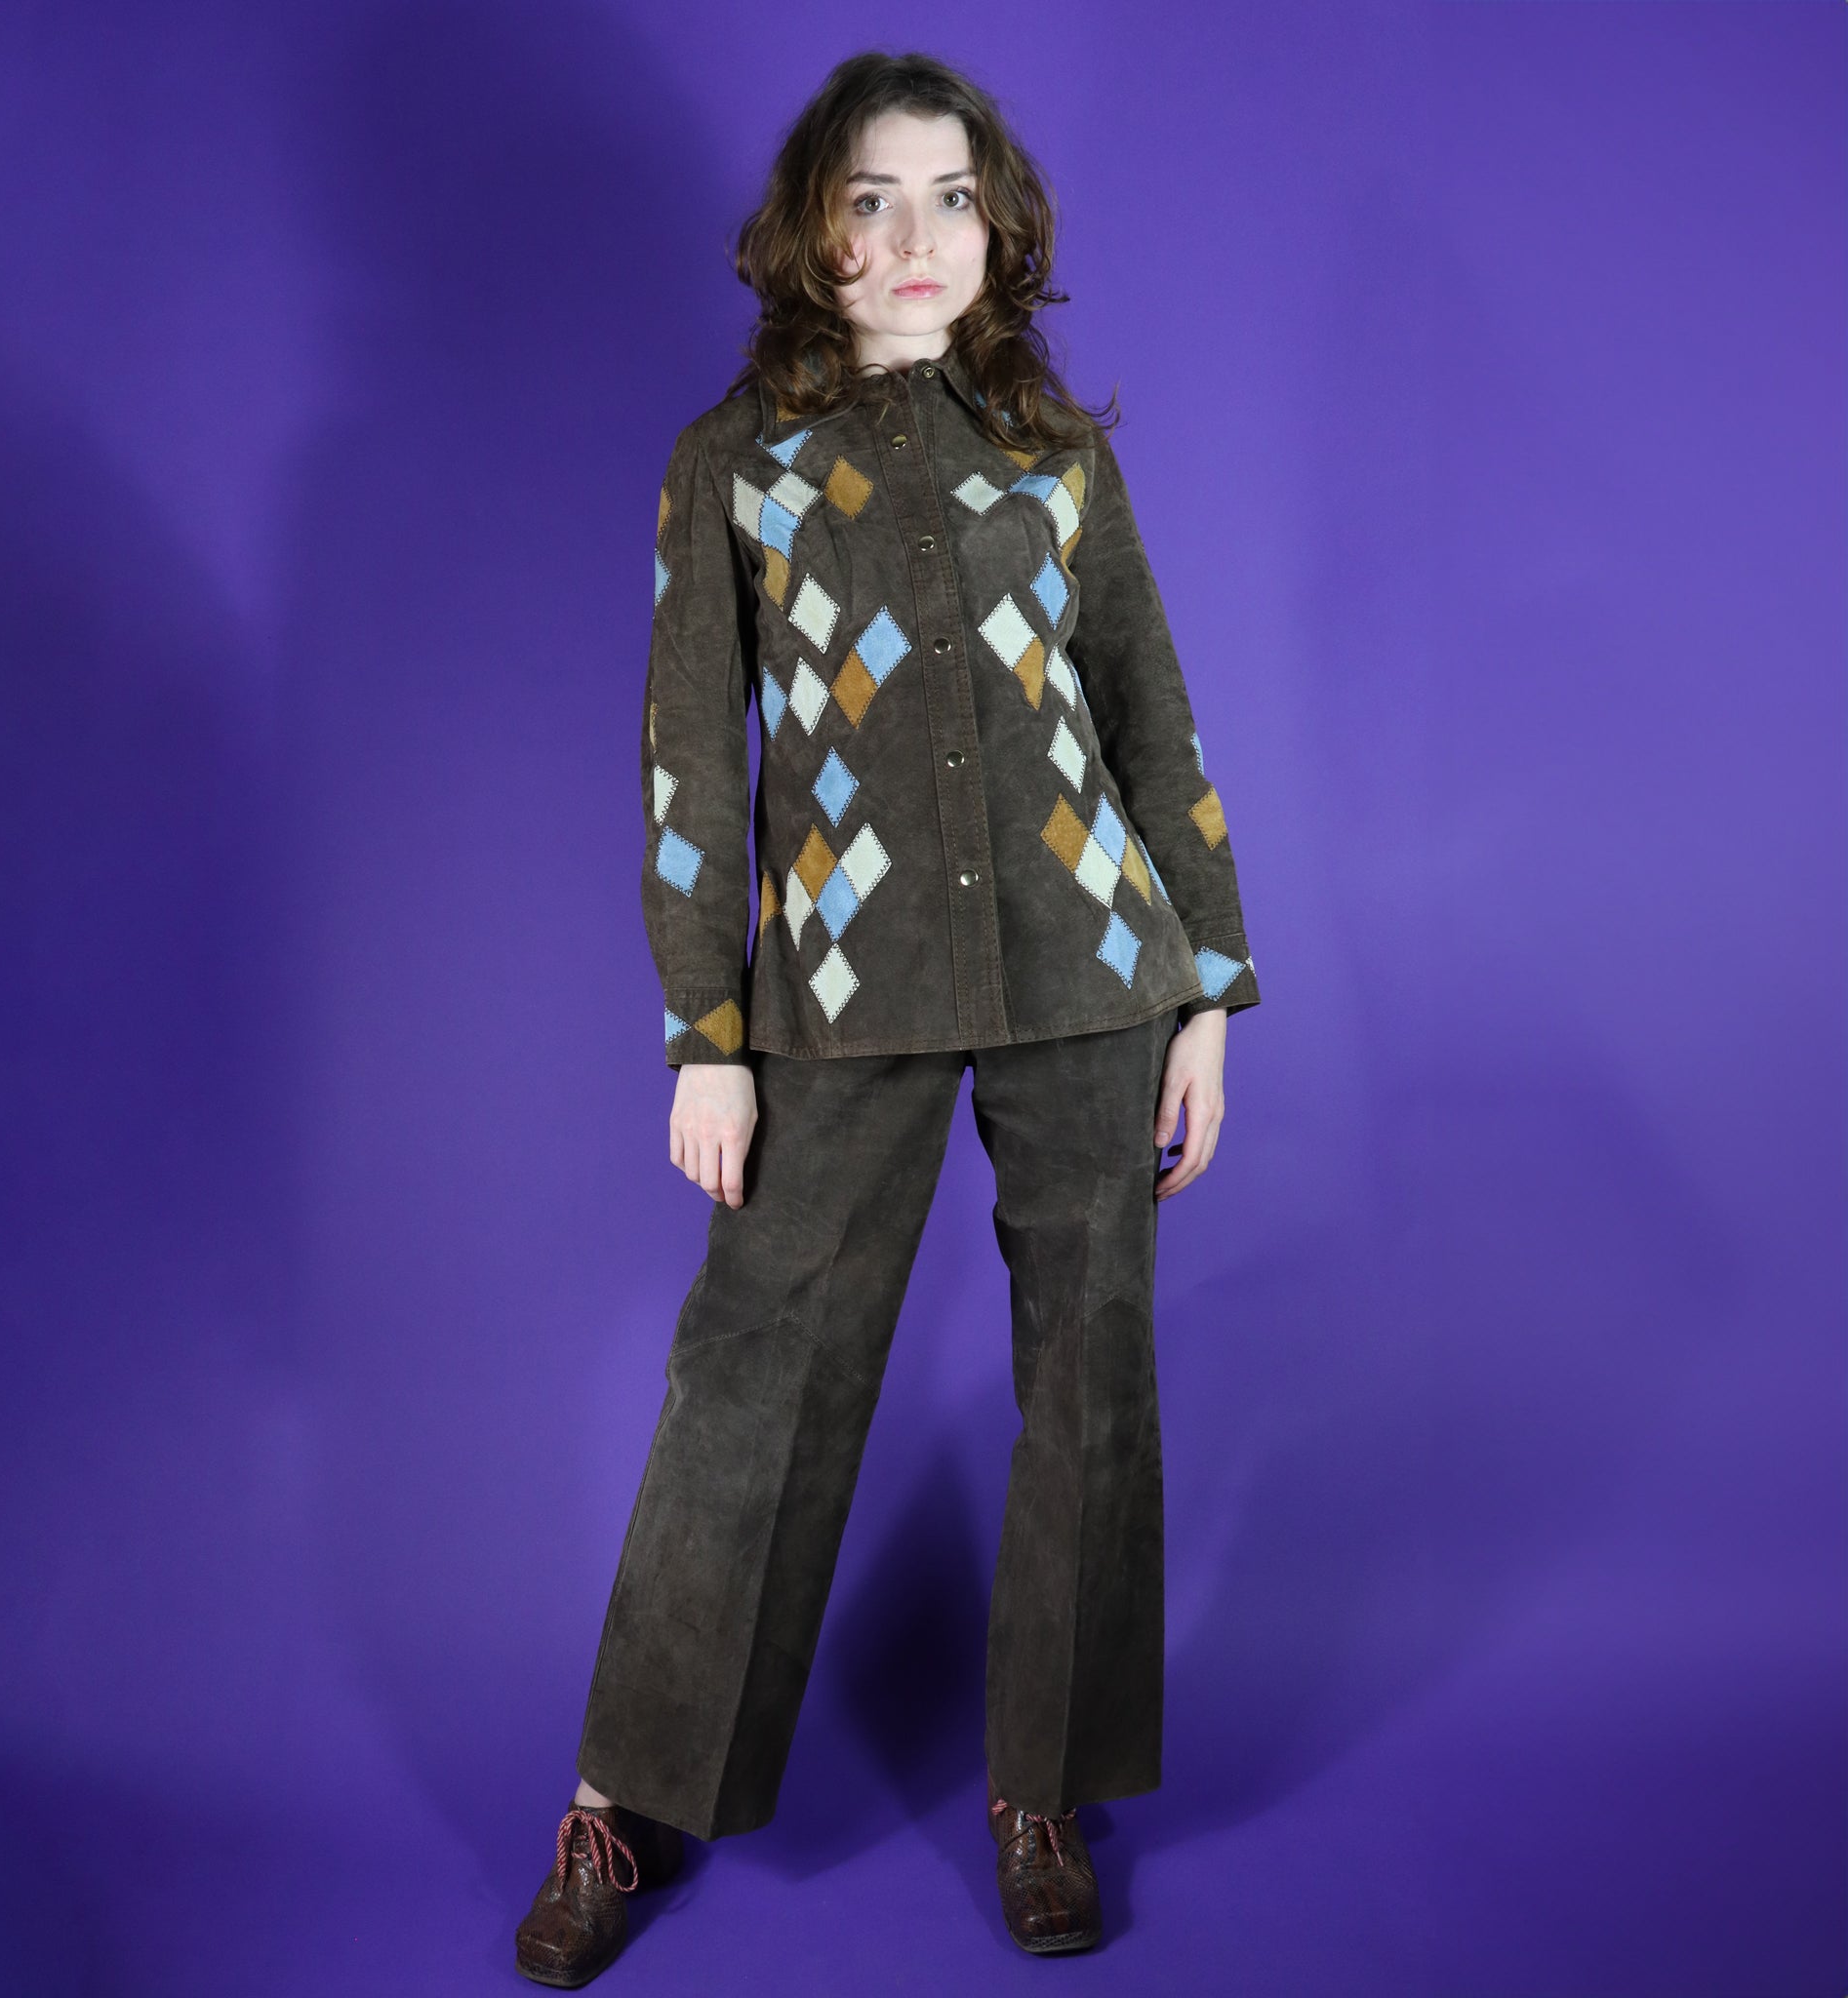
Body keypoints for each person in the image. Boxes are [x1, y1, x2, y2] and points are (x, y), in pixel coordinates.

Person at [515, 48, 1260, 1986]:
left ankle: (1046, 1790)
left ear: (998, 227)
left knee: (1090, 1380)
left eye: (950, 198)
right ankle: (624, 1795)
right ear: (811, 230)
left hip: (1091, 971)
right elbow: (693, 766)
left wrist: (1208, 985)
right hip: (836, 990)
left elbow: (1150, 713)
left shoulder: (1057, 449)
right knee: (754, 1370)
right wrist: (706, 1031)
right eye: (871, 199)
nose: (915, 237)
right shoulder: (733, 462)